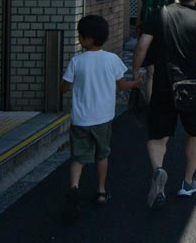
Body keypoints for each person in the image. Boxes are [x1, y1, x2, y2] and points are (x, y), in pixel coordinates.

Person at [132, 0, 196, 208]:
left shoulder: (159, 14)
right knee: (194, 134)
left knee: (157, 136)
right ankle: (188, 182)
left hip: (163, 84)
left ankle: (158, 170)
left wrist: (136, 71)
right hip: (193, 86)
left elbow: (142, 45)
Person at [60, 15, 141, 219]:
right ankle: (101, 191)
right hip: (103, 118)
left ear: (87, 39)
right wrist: (135, 83)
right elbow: (122, 85)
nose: (79, 38)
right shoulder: (112, 59)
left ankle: (74, 188)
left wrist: (64, 86)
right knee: (102, 155)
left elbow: (64, 86)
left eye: (80, 36)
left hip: (80, 119)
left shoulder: (77, 61)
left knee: (78, 158)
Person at [137, 0, 174, 101]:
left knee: (150, 75)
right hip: (168, 31)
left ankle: (150, 104)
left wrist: (139, 27)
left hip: (148, 32)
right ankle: (168, 102)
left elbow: (141, 11)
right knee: (169, 71)